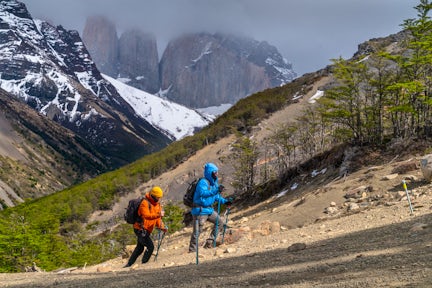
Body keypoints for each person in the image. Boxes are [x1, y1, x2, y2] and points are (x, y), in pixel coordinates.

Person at [188, 162, 232, 252]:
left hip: (208, 210)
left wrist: (225, 202)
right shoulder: (202, 182)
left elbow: (216, 197)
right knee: (197, 231)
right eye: (215, 172)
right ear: (210, 172)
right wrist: (216, 190)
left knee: (219, 223)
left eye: (217, 172)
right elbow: (203, 193)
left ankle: (209, 243)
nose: (217, 174)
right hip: (200, 211)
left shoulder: (214, 183)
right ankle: (192, 250)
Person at [124, 186, 168, 267]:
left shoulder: (157, 204)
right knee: (150, 247)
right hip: (140, 229)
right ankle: (144, 264)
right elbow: (146, 215)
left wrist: (162, 227)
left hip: (146, 230)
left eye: (160, 197)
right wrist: (158, 214)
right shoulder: (144, 203)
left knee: (140, 248)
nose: (159, 199)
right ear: (153, 196)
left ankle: (129, 264)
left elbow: (157, 219)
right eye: (158, 197)